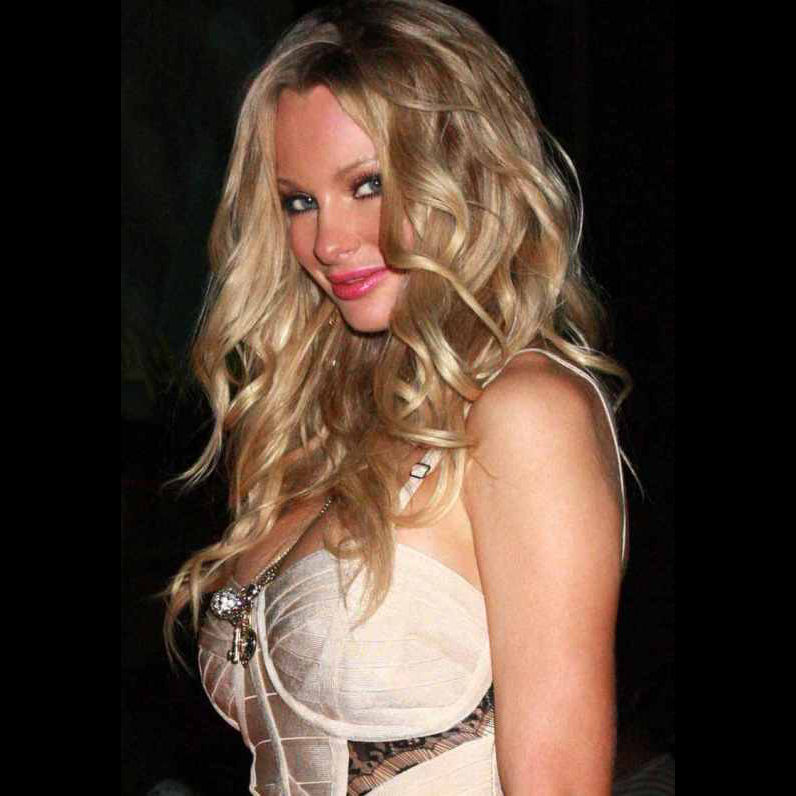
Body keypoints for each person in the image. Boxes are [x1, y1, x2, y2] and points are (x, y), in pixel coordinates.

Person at [165, 1, 630, 793]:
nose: (328, 241)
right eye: (299, 201)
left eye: (368, 184)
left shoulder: (526, 414)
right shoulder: (300, 434)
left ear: (465, 175)